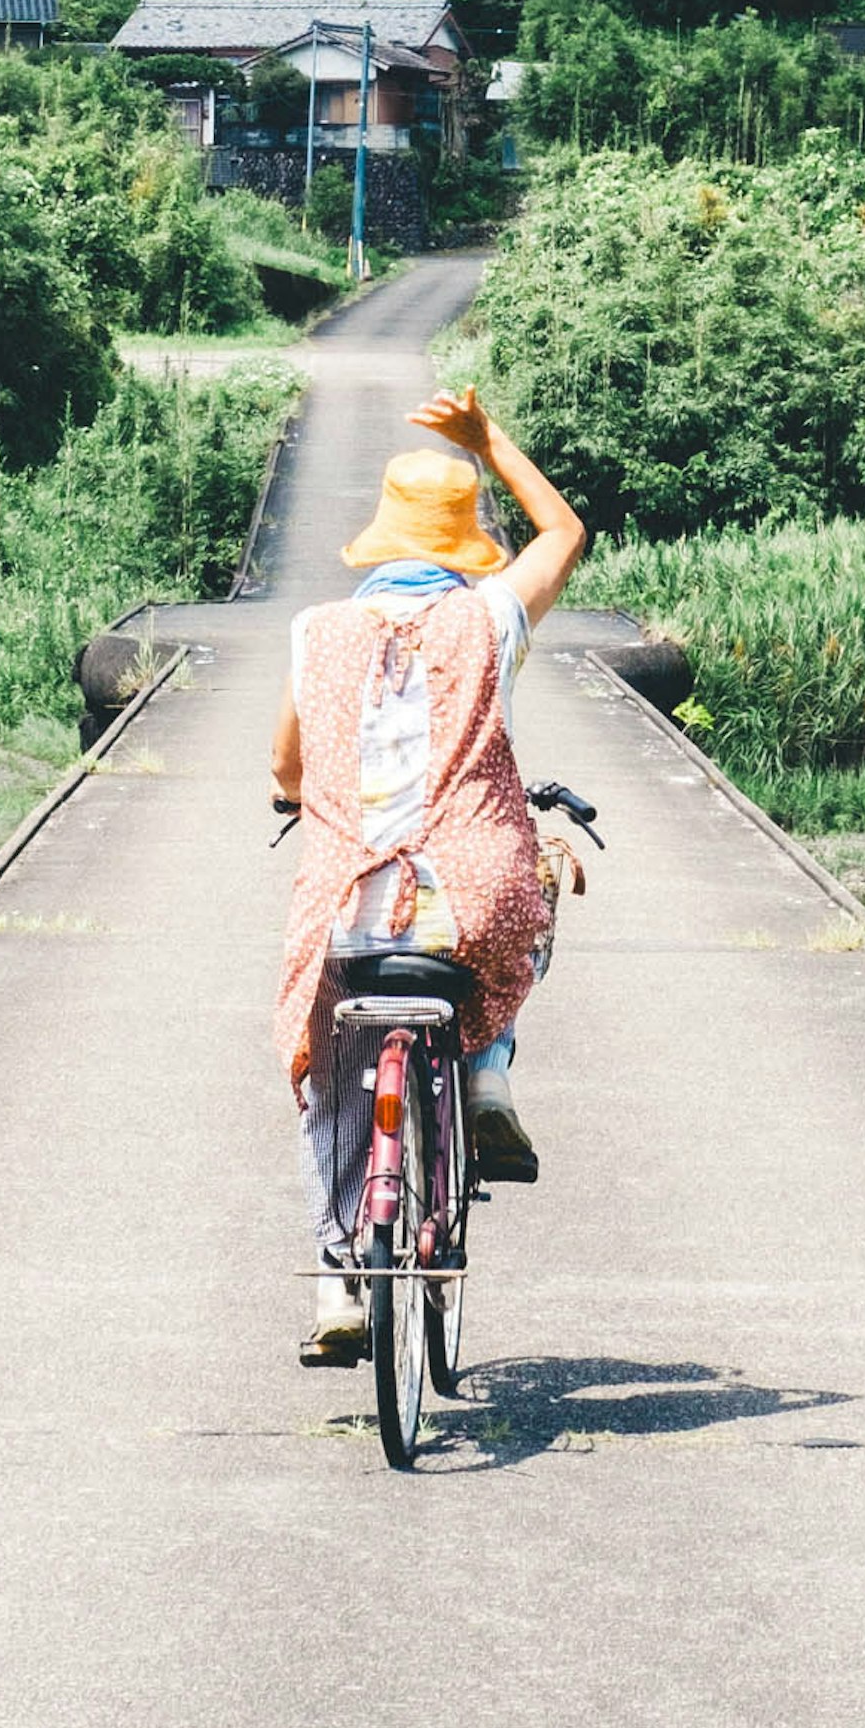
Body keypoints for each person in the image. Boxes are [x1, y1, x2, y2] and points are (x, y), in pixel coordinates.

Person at [272, 376, 588, 1369]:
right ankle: (487, 1076)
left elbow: (285, 766)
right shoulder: (487, 619)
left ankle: (337, 1279)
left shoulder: (317, 632)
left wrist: (300, 798)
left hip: (349, 910)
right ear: (461, 548)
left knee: (332, 1072)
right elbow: (565, 533)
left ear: (379, 542)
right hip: (470, 901)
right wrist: (489, 435)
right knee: (524, 909)